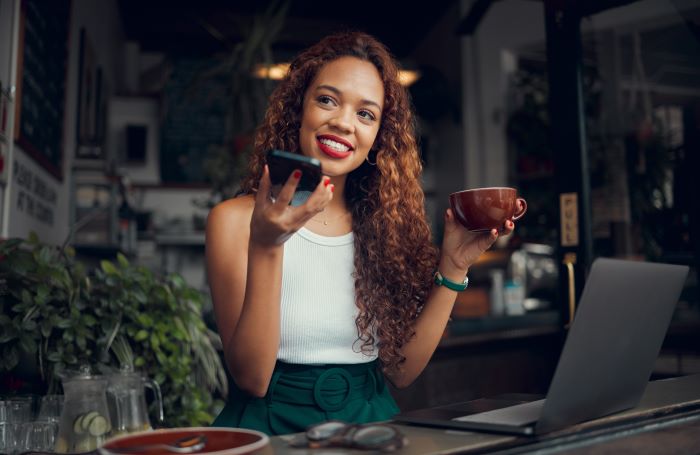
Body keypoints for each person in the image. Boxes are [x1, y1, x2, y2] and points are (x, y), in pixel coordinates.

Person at [206, 31, 518, 435]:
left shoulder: (384, 229)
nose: (343, 123)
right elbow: (252, 378)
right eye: (327, 100)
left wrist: (455, 267)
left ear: (377, 141)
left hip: (371, 424)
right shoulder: (233, 221)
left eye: (366, 114)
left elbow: (401, 373)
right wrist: (267, 243)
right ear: (299, 109)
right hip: (271, 430)